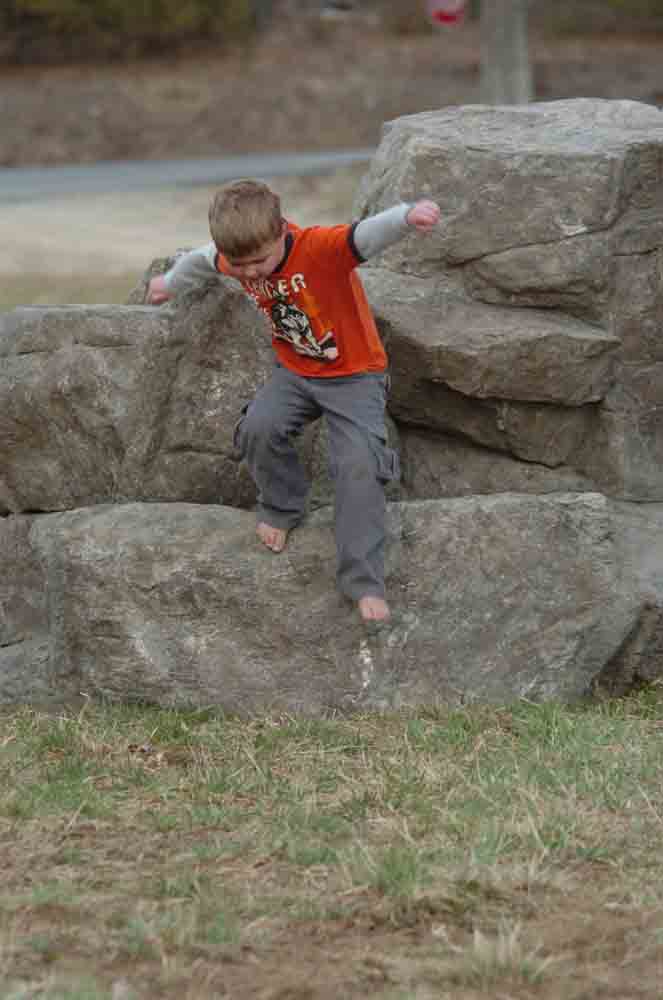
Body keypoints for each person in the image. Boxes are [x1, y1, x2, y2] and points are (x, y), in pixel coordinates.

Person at [147, 179, 440, 623]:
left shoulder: (318, 248)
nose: (251, 273)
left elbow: (363, 235)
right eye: (240, 265)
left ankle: (363, 582)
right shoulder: (235, 258)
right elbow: (199, 262)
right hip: (297, 372)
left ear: (282, 230)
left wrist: (405, 217)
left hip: (355, 376)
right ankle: (282, 505)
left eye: (260, 261)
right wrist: (168, 283)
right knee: (258, 429)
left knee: (358, 465)